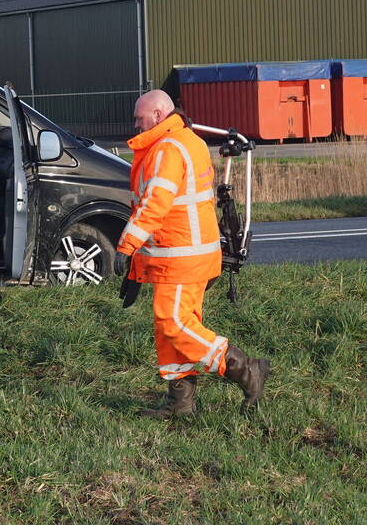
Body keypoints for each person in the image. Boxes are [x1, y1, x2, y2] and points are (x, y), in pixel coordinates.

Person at [113, 90, 270, 418]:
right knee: (172, 327)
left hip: (180, 256)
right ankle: (181, 403)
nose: (136, 124)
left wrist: (126, 245)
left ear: (158, 115)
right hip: (188, 253)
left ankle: (246, 369)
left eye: (140, 118)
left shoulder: (167, 148)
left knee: (174, 324)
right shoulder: (188, 141)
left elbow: (155, 204)